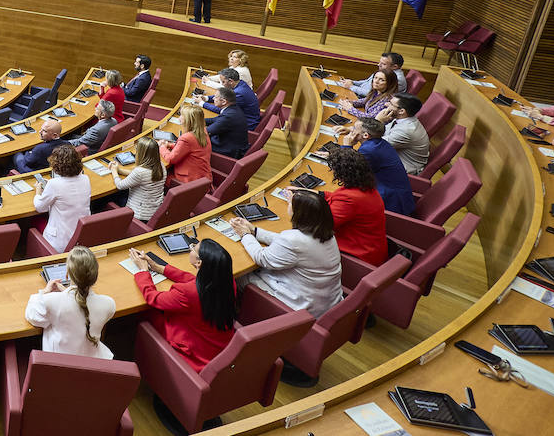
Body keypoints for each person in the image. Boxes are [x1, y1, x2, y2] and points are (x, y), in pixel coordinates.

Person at [128, 239, 237, 372]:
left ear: (199, 262)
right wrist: (159, 267)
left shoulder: (186, 293)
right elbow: (195, 280)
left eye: (192, 248)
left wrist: (143, 271)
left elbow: (153, 298)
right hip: (219, 347)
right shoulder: (227, 281)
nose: (190, 249)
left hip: (195, 356)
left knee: (146, 313)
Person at [232, 189, 342, 318]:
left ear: (300, 214)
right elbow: (284, 240)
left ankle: (242, 317)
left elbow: (261, 258)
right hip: (325, 302)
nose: (288, 205)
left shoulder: (293, 240)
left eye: (290, 204)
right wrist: (254, 230)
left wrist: (244, 234)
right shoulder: (326, 233)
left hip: (302, 308)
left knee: (237, 277)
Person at [25, 245, 114, 359]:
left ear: (67, 274)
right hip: (92, 364)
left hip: (60, 364)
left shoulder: (51, 301)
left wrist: (44, 292)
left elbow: (32, 316)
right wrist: (67, 291)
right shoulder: (109, 304)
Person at [319, 148, 387, 266]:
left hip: (357, 258)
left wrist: (296, 208)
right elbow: (338, 197)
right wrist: (316, 194)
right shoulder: (366, 187)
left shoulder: (349, 199)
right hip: (374, 248)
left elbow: (321, 224)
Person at [341, 118, 416, 215]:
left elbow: (347, 172)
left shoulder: (369, 150)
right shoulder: (378, 143)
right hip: (396, 195)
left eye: (355, 128)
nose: (351, 130)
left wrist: (346, 147)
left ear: (365, 135)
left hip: (391, 204)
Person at [32, 145, 91, 253]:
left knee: (32, 222)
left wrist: (38, 191)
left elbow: (40, 207)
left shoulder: (54, 184)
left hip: (59, 242)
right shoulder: (85, 179)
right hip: (81, 238)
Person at [112, 137, 167, 220]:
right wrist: (119, 170)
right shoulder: (161, 165)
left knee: (108, 199)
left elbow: (120, 185)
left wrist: (114, 171)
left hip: (139, 214)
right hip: (155, 210)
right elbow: (138, 177)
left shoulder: (140, 172)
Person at [375, 93, 430, 175]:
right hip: (393, 155)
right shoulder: (402, 119)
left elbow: (376, 144)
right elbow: (384, 131)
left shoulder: (406, 130)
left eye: (390, 104)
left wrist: (378, 121)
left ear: (401, 111)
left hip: (402, 169)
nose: (386, 105)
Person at [164, 104, 214, 184]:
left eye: (181, 115)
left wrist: (162, 147)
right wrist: (171, 145)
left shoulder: (187, 138)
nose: (179, 118)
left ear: (188, 120)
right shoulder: (203, 131)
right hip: (203, 178)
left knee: (157, 177)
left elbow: (170, 159)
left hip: (189, 182)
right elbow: (192, 148)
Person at [205, 87, 249, 159]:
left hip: (227, 151)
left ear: (224, 102)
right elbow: (214, 120)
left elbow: (206, 132)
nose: (213, 99)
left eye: (215, 97)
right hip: (230, 143)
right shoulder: (233, 108)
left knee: (195, 144)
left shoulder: (228, 116)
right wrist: (194, 119)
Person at [341, 51, 408, 97]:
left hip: (364, 100)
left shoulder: (396, 79)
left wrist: (351, 87)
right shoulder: (385, 70)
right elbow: (366, 81)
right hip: (358, 93)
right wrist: (352, 82)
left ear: (395, 67)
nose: (379, 65)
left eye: (383, 64)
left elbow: (374, 95)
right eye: (380, 62)